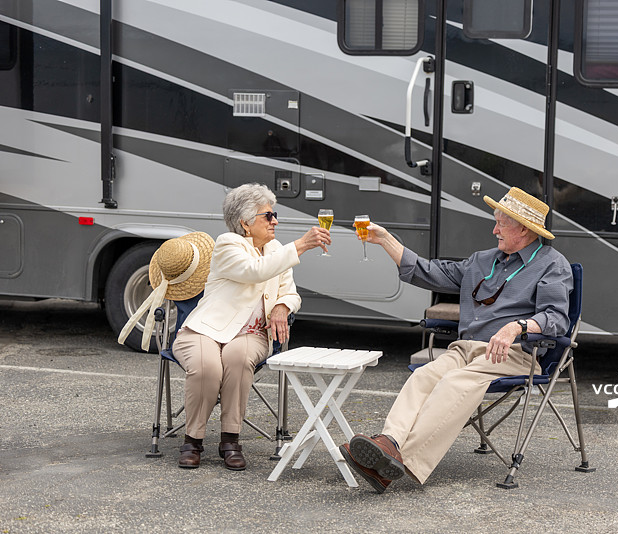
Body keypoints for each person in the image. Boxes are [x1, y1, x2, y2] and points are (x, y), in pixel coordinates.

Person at [339, 187, 573, 492]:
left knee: (453, 383)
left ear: (525, 230)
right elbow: (428, 272)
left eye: (501, 224)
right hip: (465, 349)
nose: (494, 230)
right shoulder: (483, 260)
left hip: (510, 354)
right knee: (424, 376)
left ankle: (390, 463)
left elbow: (557, 318)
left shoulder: (553, 264)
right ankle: (389, 443)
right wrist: (385, 240)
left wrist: (517, 327)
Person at [170, 183, 331, 470]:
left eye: (274, 214)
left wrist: (283, 306)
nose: (275, 221)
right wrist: (303, 244)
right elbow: (254, 271)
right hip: (204, 330)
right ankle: (192, 440)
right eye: (268, 216)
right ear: (245, 223)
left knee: (238, 357)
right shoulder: (227, 244)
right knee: (207, 366)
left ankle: (230, 439)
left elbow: (290, 291)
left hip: (252, 332)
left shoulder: (276, 249)